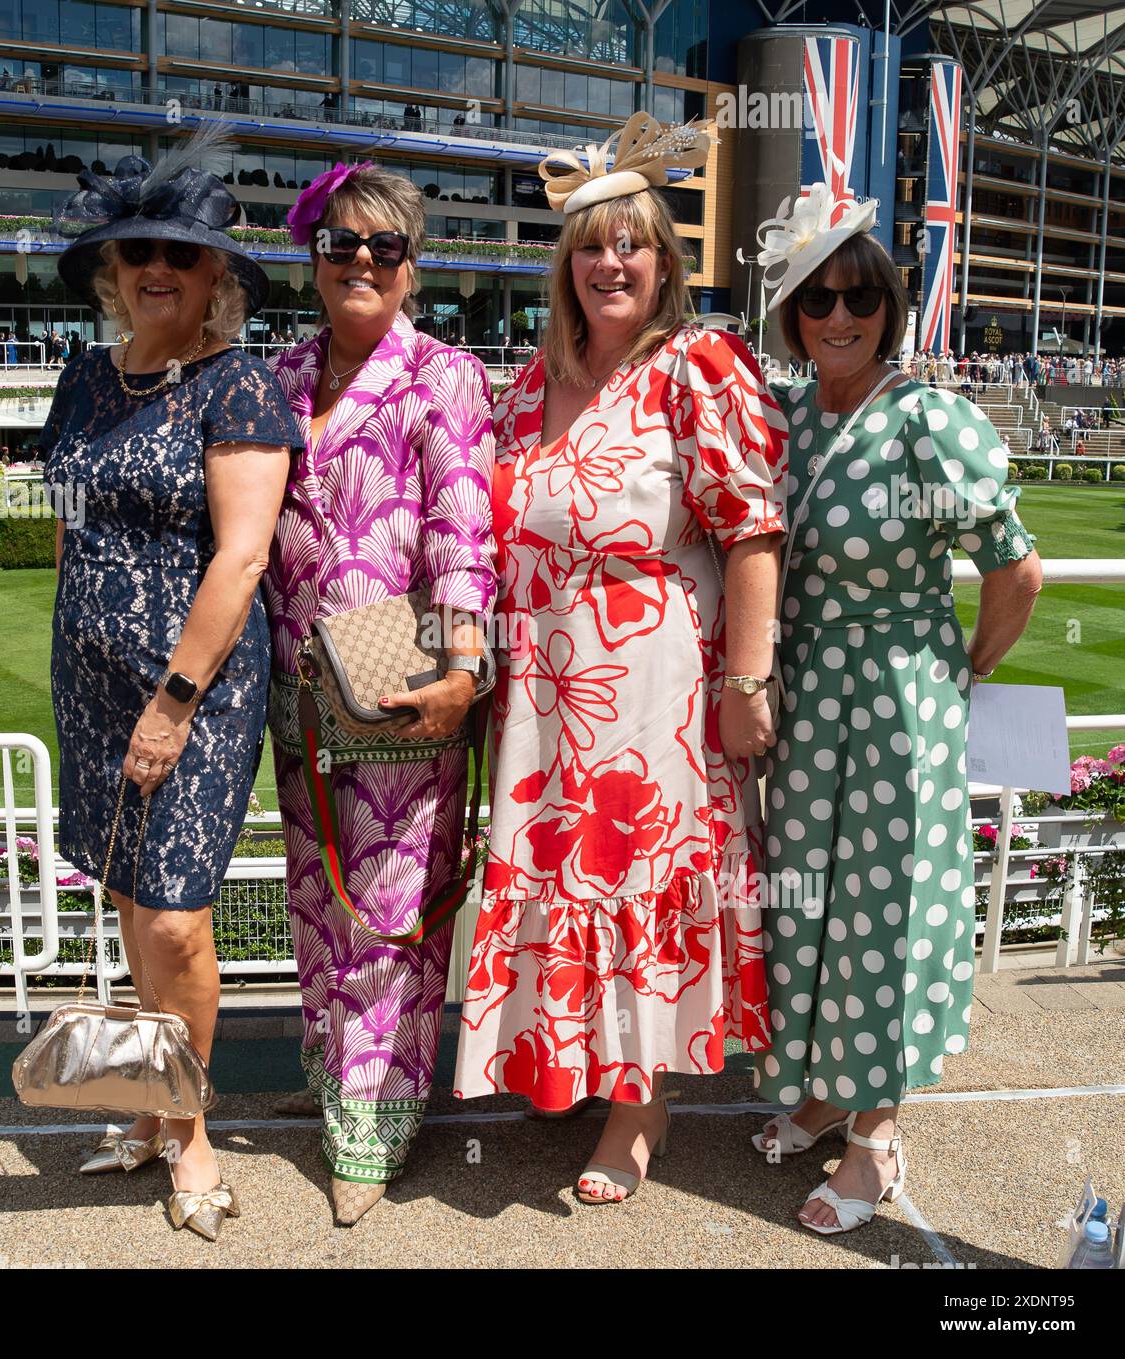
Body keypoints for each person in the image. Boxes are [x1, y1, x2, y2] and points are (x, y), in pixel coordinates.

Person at [453, 113, 787, 1203]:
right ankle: (572, 1065)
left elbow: (751, 531)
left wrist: (746, 681)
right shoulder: (518, 391)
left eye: (632, 243)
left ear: (664, 261)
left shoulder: (697, 366)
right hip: (543, 689)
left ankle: (636, 1114)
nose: (611, 263)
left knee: (636, 881)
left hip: (653, 687)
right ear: (566, 265)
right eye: (591, 245)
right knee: (555, 880)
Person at [748, 182, 1042, 1234]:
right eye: (818, 297)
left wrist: (961, 672)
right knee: (808, 909)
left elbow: (1017, 572)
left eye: (859, 296)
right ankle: (826, 1093)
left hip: (896, 703)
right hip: (809, 701)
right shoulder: (782, 413)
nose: (839, 316)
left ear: (888, 305)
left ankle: (874, 1139)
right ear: (791, 312)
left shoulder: (930, 420)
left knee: (881, 917)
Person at [41, 124, 299, 1242]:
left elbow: (241, 558)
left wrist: (171, 701)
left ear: (216, 279)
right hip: (89, 684)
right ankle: (147, 1108)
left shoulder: (237, 387)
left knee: (180, 919)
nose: (158, 268)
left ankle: (189, 1135)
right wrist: (75, 659)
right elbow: (67, 528)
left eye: (182, 256)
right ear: (112, 271)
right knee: (129, 908)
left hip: (190, 690)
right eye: (138, 251)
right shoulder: (84, 378)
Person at [264, 162, 496, 1225]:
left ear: (411, 266)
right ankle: (334, 1086)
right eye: (340, 243)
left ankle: (372, 1132)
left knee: (393, 919)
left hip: (402, 686)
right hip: (301, 691)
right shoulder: (273, 376)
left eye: (384, 247)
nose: (361, 261)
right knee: (318, 903)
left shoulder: (441, 376)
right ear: (311, 256)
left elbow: (459, 530)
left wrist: (460, 671)